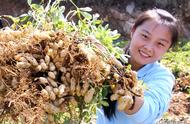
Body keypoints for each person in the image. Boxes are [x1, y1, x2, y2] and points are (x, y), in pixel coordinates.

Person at [97, 8, 179, 124]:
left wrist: (126, 90)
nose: (148, 47)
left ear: (168, 49)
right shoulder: (106, 61)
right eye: (145, 36)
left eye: (160, 43)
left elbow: (150, 110)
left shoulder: (162, 77)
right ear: (133, 30)